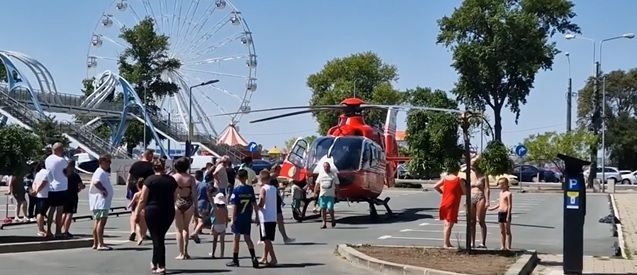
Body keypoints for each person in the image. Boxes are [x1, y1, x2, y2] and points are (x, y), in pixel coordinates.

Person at [134, 157, 178, 274]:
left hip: (152, 210)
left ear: (153, 167)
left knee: (157, 237)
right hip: (168, 211)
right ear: (164, 167)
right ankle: (155, 262)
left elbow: (143, 199)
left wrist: (137, 213)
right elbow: (175, 197)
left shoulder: (149, 180)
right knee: (159, 236)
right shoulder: (171, 181)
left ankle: (161, 264)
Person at [226, 169, 259, 268]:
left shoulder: (236, 190)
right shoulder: (250, 189)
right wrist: (257, 215)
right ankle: (253, 257)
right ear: (246, 177)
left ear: (238, 177)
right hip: (247, 216)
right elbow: (254, 203)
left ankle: (235, 259)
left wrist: (232, 218)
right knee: (247, 238)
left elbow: (235, 205)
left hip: (239, 217)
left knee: (236, 238)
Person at [434, 164, 465, 248]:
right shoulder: (458, 180)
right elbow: (465, 192)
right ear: (456, 170)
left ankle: (447, 242)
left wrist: (442, 192)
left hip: (444, 202)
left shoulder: (445, 179)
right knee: (449, 225)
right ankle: (445, 243)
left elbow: (435, 186)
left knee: (446, 224)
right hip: (453, 203)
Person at [127, 149, 155, 242]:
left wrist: (128, 189)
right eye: (152, 155)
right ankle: (143, 233)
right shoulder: (151, 167)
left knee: (134, 211)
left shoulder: (135, 164)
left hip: (134, 189)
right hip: (146, 190)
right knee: (144, 212)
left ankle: (132, 231)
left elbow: (129, 178)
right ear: (149, 155)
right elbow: (153, 179)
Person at [172, 157, 197, 260]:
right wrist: (197, 208)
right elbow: (195, 194)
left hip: (177, 202)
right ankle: (186, 252)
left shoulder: (174, 177)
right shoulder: (191, 178)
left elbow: (172, 193)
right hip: (188, 203)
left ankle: (180, 253)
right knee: (186, 228)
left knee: (178, 229)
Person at [88, 154, 114, 250]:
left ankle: (96, 243)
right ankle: (100, 243)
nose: (109, 164)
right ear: (102, 162)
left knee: (98, 221)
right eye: (108, 162)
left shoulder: (101, 172)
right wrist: (103, 190)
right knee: (101, 222)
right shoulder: (99, 172)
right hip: (101, 202)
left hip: (100, 202)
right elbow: (96, 182)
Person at [45, 142, 69, 238]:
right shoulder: (61, 160)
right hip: (61, 187)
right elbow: (67, 172)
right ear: (59, 149)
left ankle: (48, 230)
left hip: (51, 187)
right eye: (62, 149)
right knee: (59, 210)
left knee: (51, 209)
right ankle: (58, 231)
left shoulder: (47, 159)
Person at [257, 171, 279, 267]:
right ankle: (264, 257)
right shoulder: (274, 188)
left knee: (266, 239)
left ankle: (273, 258)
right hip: (272, 216)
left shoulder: (263, 189)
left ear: (261, 179)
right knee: (267, 238)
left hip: (265, 217)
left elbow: (261, 201)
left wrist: (257, 207)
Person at [468, 157, 490, 248]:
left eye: (473, 165)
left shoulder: (484, 174)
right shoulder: (470, 174)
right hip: (471, 196)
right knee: (472, 221)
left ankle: (483, 242)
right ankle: (472, 242)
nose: (472, 167)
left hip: (480, 197)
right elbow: (466, 186)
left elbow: (487, 188)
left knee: (481, 220)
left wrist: (487, 201)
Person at [270, 165, 294, 243]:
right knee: (269, 221)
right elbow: (267, 188)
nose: (281, 172)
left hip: (276, 200)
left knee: (280, 220)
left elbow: (276, 190)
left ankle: (285, 238)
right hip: (271, 201)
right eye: (280, 170)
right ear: (276, 170)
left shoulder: (275, 179)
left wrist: (281, 200)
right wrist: (280, 188)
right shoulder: (270, 178)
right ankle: (264, 239)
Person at [489, 177, 513, 251]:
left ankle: (508, 246)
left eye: (501, 184)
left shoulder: (508, 194)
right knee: (502, 231)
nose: (499, 186)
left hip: (506, 213)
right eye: (499, 184)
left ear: (505, 185)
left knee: (507, 230)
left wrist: (508, 215)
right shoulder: (501, 193)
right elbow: (500, 203)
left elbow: (509, 205)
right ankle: (503, 246)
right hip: (500, 213)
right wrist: (492, 208)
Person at [63, 160, 85, 238]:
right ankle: (66, 231)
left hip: (63, 194)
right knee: (69, 213)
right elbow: (81, 186)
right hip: (72, 196)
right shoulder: (75, 175)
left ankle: (59, 229)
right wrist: (81, 187)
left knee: (64, 213)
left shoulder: (63, 174)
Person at [314, 162, 339, 229]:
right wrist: (315, 192)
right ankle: (324, 222)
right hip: (322, 195)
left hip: (330, 195)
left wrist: (338, 193)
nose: (326, 168)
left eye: (327, 167)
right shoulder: (321, 174)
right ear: (323, 167)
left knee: (330, 208)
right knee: (323, 209)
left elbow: (337, 184)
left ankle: (333, 219)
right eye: (325, 167)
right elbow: (317, 184)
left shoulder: (333, 175)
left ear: (329, 167)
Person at [30, 161, 50, 237]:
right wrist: (37, 191)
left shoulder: (38, 173)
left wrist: (34, 191)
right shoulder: (45, 172)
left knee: (40, 212)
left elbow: (34, 183)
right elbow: (43, 183)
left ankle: (41, 228)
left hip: (39, 195)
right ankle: (40, 229)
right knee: (41, 213)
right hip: (44, 195)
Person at [127, 178, 148, 245]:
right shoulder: (147, 193)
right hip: (145, 210)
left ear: (137, 186)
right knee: (144, 225)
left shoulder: (137, 194)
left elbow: (132, 202)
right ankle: (143, 235)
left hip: (138, 210)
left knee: (138, 225)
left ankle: (139, 237)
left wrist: (129, 206)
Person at [210, 192, 228, 259]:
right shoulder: (225, 209)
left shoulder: (215, 208)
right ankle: (222, 254)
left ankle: (213, 253)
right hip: (223, 225)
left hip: (216, 224)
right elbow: (226, 218)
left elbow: (211, 216)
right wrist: (226, 224)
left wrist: (212, 225)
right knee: (222, 241)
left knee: (215, 240)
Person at [192, 170, 209, 243]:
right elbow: (208, 194)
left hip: (193, 203)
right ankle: (195, 233)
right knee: (201, 221)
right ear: (201, 176)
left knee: (196, 221)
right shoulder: (204, 184)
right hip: (202, 203)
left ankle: (196, 236)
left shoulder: (192, 184)